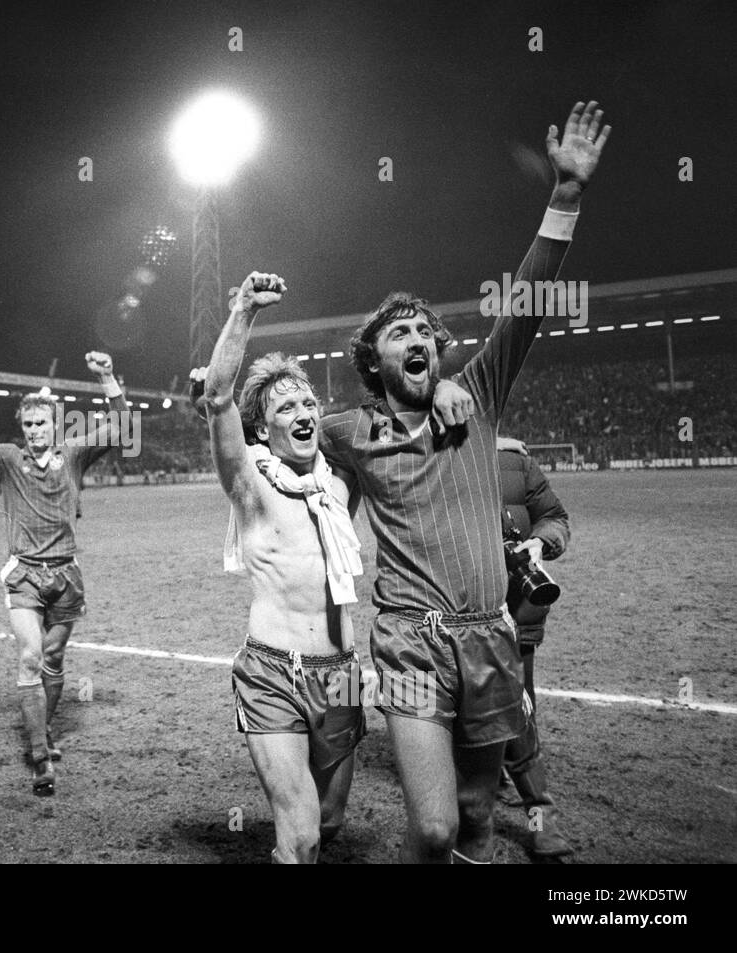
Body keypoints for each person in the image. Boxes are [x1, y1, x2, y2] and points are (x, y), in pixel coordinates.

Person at [318, 101, 609, 863]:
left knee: (480, 816)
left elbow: (528, 300)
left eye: (425, 331)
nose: (416, 338)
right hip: (410, 641)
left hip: (491, 636)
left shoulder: (476, 395)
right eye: (397, 333)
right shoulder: (346, 430)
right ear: (372, 362)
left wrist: (566, 194)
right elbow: (269, 429)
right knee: (437, 827)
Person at [192, 280, 473, 863]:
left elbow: (405, 409)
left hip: (342, 675)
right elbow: (218, 396)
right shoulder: (249, 485)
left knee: (331, 819)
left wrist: (442, 380)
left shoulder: (342, 480)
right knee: (299, 836)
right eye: (283, 407)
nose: (301, 413)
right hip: (274, 674)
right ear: (262, 427)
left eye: (306, 403)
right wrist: (242, 312)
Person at [0, 349, 129, 796]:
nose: (34, 431)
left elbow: (123, 427)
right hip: (25, 573)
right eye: (27, 425)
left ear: (55, 424)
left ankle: (44, 731)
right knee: (30, 656)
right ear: (21, 429)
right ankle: (41, 755)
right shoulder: (8, 459)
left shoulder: (76, 454)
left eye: (41, 423)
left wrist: (107, 378)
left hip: (66, 574)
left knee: (54, 658)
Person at [497, 435, 575, 858]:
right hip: (458, 611)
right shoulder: (426, 455)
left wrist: (541, 543)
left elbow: (555, 517)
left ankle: (539, 814)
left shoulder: (514, 462)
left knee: (520, 709)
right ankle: (486, 781)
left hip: (517, 611)